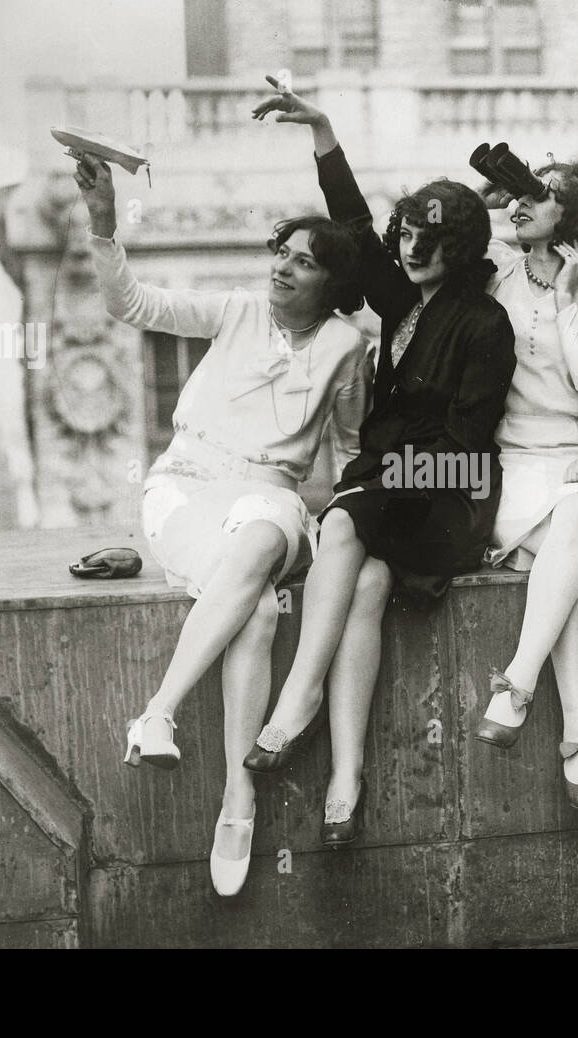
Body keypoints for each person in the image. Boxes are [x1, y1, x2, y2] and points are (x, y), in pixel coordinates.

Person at [70, 149, 370, 894]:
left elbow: (355, 448)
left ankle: (158, 712)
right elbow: (133, 305)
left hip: (270, 498)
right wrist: (104, 221)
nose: (282, 269)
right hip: (184, 492)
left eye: (303, 263)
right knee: (260, 609)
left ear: (332, 283)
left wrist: (352, 520)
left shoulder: (345, 347)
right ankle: (237, 799)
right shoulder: (234, 311)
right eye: (281, 255)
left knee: (268, 529)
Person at [243, 79, 516, 845]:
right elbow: (356, 229)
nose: (409, 251)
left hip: (450, 499)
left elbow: (467, 451)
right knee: (361, 584)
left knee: (344, 517)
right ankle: (345, 781)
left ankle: (295, 702)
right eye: (406, 238)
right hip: (387, 499)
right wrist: (325, 135)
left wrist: (383, 479)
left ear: (458, 250)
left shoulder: (483, 323)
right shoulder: (404, 304)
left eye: (428, 242)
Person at [472, 155, 578, 810]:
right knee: (572, 576)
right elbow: (439, 233)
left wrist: (569, 300)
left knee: (574, 517)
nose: (523, 203)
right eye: (521, 194)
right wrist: (486, 195)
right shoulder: (494, 274)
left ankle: (516, 684)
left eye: (543, 196)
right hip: (513, 467)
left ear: (577, 219)